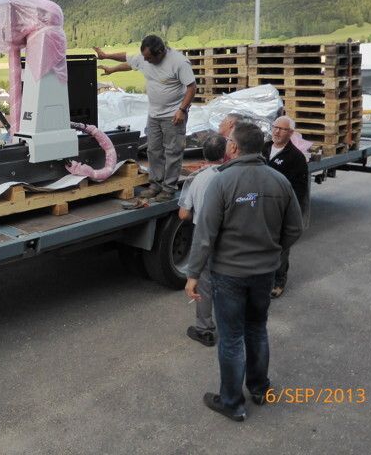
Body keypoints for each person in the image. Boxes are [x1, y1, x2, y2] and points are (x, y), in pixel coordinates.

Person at [185, 122, 303, 421]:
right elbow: (295, 229)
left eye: (228, 142)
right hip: (264, 273)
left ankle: (232, 403)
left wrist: (193, 274)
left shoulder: (222, 182)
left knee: (232, 338)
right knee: (257, 328)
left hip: (229, 275)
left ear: (234, 148)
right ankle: (260, 389)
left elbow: (205, 235)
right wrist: (272, 251)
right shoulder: (279, 181)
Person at [96, 35, 196, 202]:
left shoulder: (178, 62)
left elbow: (192, 88)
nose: (146, 61)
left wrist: (182, 109)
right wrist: (107, 58)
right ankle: (155, 184)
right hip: (154, 115)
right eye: (145, 57)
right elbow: (127, 59)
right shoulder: (145, 59)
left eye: (149, 58)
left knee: (172, 152)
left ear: (160, 52)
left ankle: (168, 188)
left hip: (174, 115)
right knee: (153, 150)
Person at [178, 133, 227, 347]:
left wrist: (197, 214)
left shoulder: (197, 178)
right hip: (229, 234)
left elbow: (183, 214)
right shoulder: (230, 176)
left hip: (204, 233)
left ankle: (205, 330)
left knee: (204, 283)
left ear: (203, 154)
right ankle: (233, 325)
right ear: (225, 153)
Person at [261, 116, 309, 299]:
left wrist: (290, 212)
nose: (276, 131)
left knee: (280, 247)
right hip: (260, 206)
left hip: (280, 209)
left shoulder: (296, 158)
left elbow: (299, 189)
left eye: (281, 129)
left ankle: (278, 281)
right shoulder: (263, 148)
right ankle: (262, 277)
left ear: (290, 133)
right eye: (274, 127)